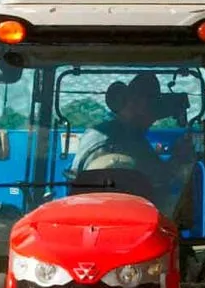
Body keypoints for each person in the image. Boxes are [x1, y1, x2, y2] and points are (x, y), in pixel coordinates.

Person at [72, 73, 196, 215]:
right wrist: (178, 158)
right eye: (151, 107)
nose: (151, 120)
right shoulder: (133, 143)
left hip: (88, 216)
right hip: (131, 219)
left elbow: (76, 180)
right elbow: (161, 181)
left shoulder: (94, 134)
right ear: (138, 105)